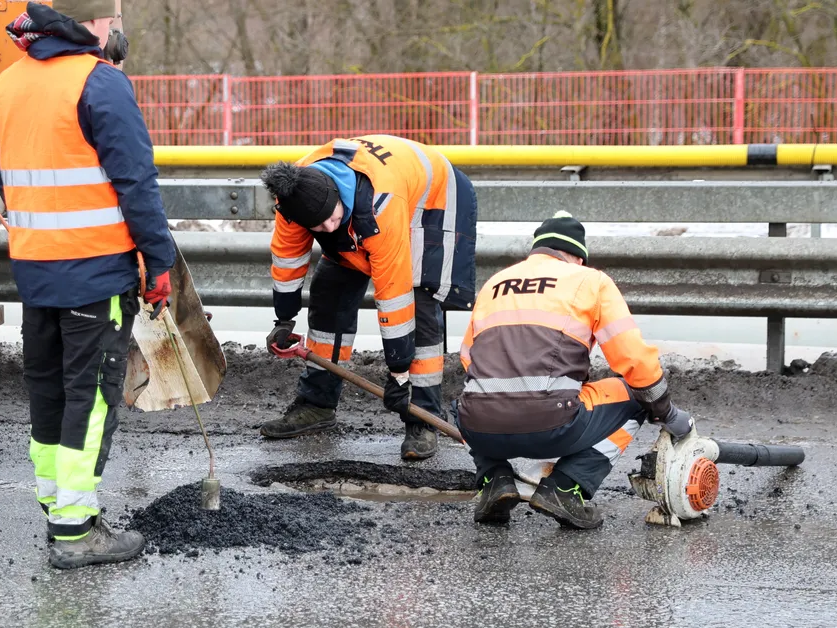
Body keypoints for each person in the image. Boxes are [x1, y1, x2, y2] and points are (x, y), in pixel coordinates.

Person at [0, 0, 175, 569]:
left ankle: (59, 510)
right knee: (89, 398)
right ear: (92, 24)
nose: (115, 31)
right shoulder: (100, 84)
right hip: (94, 273)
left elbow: (5, 177)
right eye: (110, 20)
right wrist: (158, 263)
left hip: (36, 270)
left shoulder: (7, 85)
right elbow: (136, 183)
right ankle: (75, 533)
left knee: (47, 391)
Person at [455, 211, 693, 529]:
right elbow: (635, 361)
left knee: (468, 400)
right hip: (552, 422)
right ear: (577, 257)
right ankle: (566, 487)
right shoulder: (590, 281)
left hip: (479, 429)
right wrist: (666, 414)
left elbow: (469, 359)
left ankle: (494, 480)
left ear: (537, 250)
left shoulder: (495, 283)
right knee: (635, 397)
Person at [260, 135, 477, 460]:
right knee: (329, 291)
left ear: (337, 196)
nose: (328, 227)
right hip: (365, 207)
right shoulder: (293, 199)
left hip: (431, 201)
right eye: (318, 226)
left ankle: (422, 418)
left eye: (332, 217)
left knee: (418, 304)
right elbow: (288, 261)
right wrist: (284, 318)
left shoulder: (382, 204)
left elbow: (394, 295)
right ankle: (317, 405)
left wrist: (399, 373)